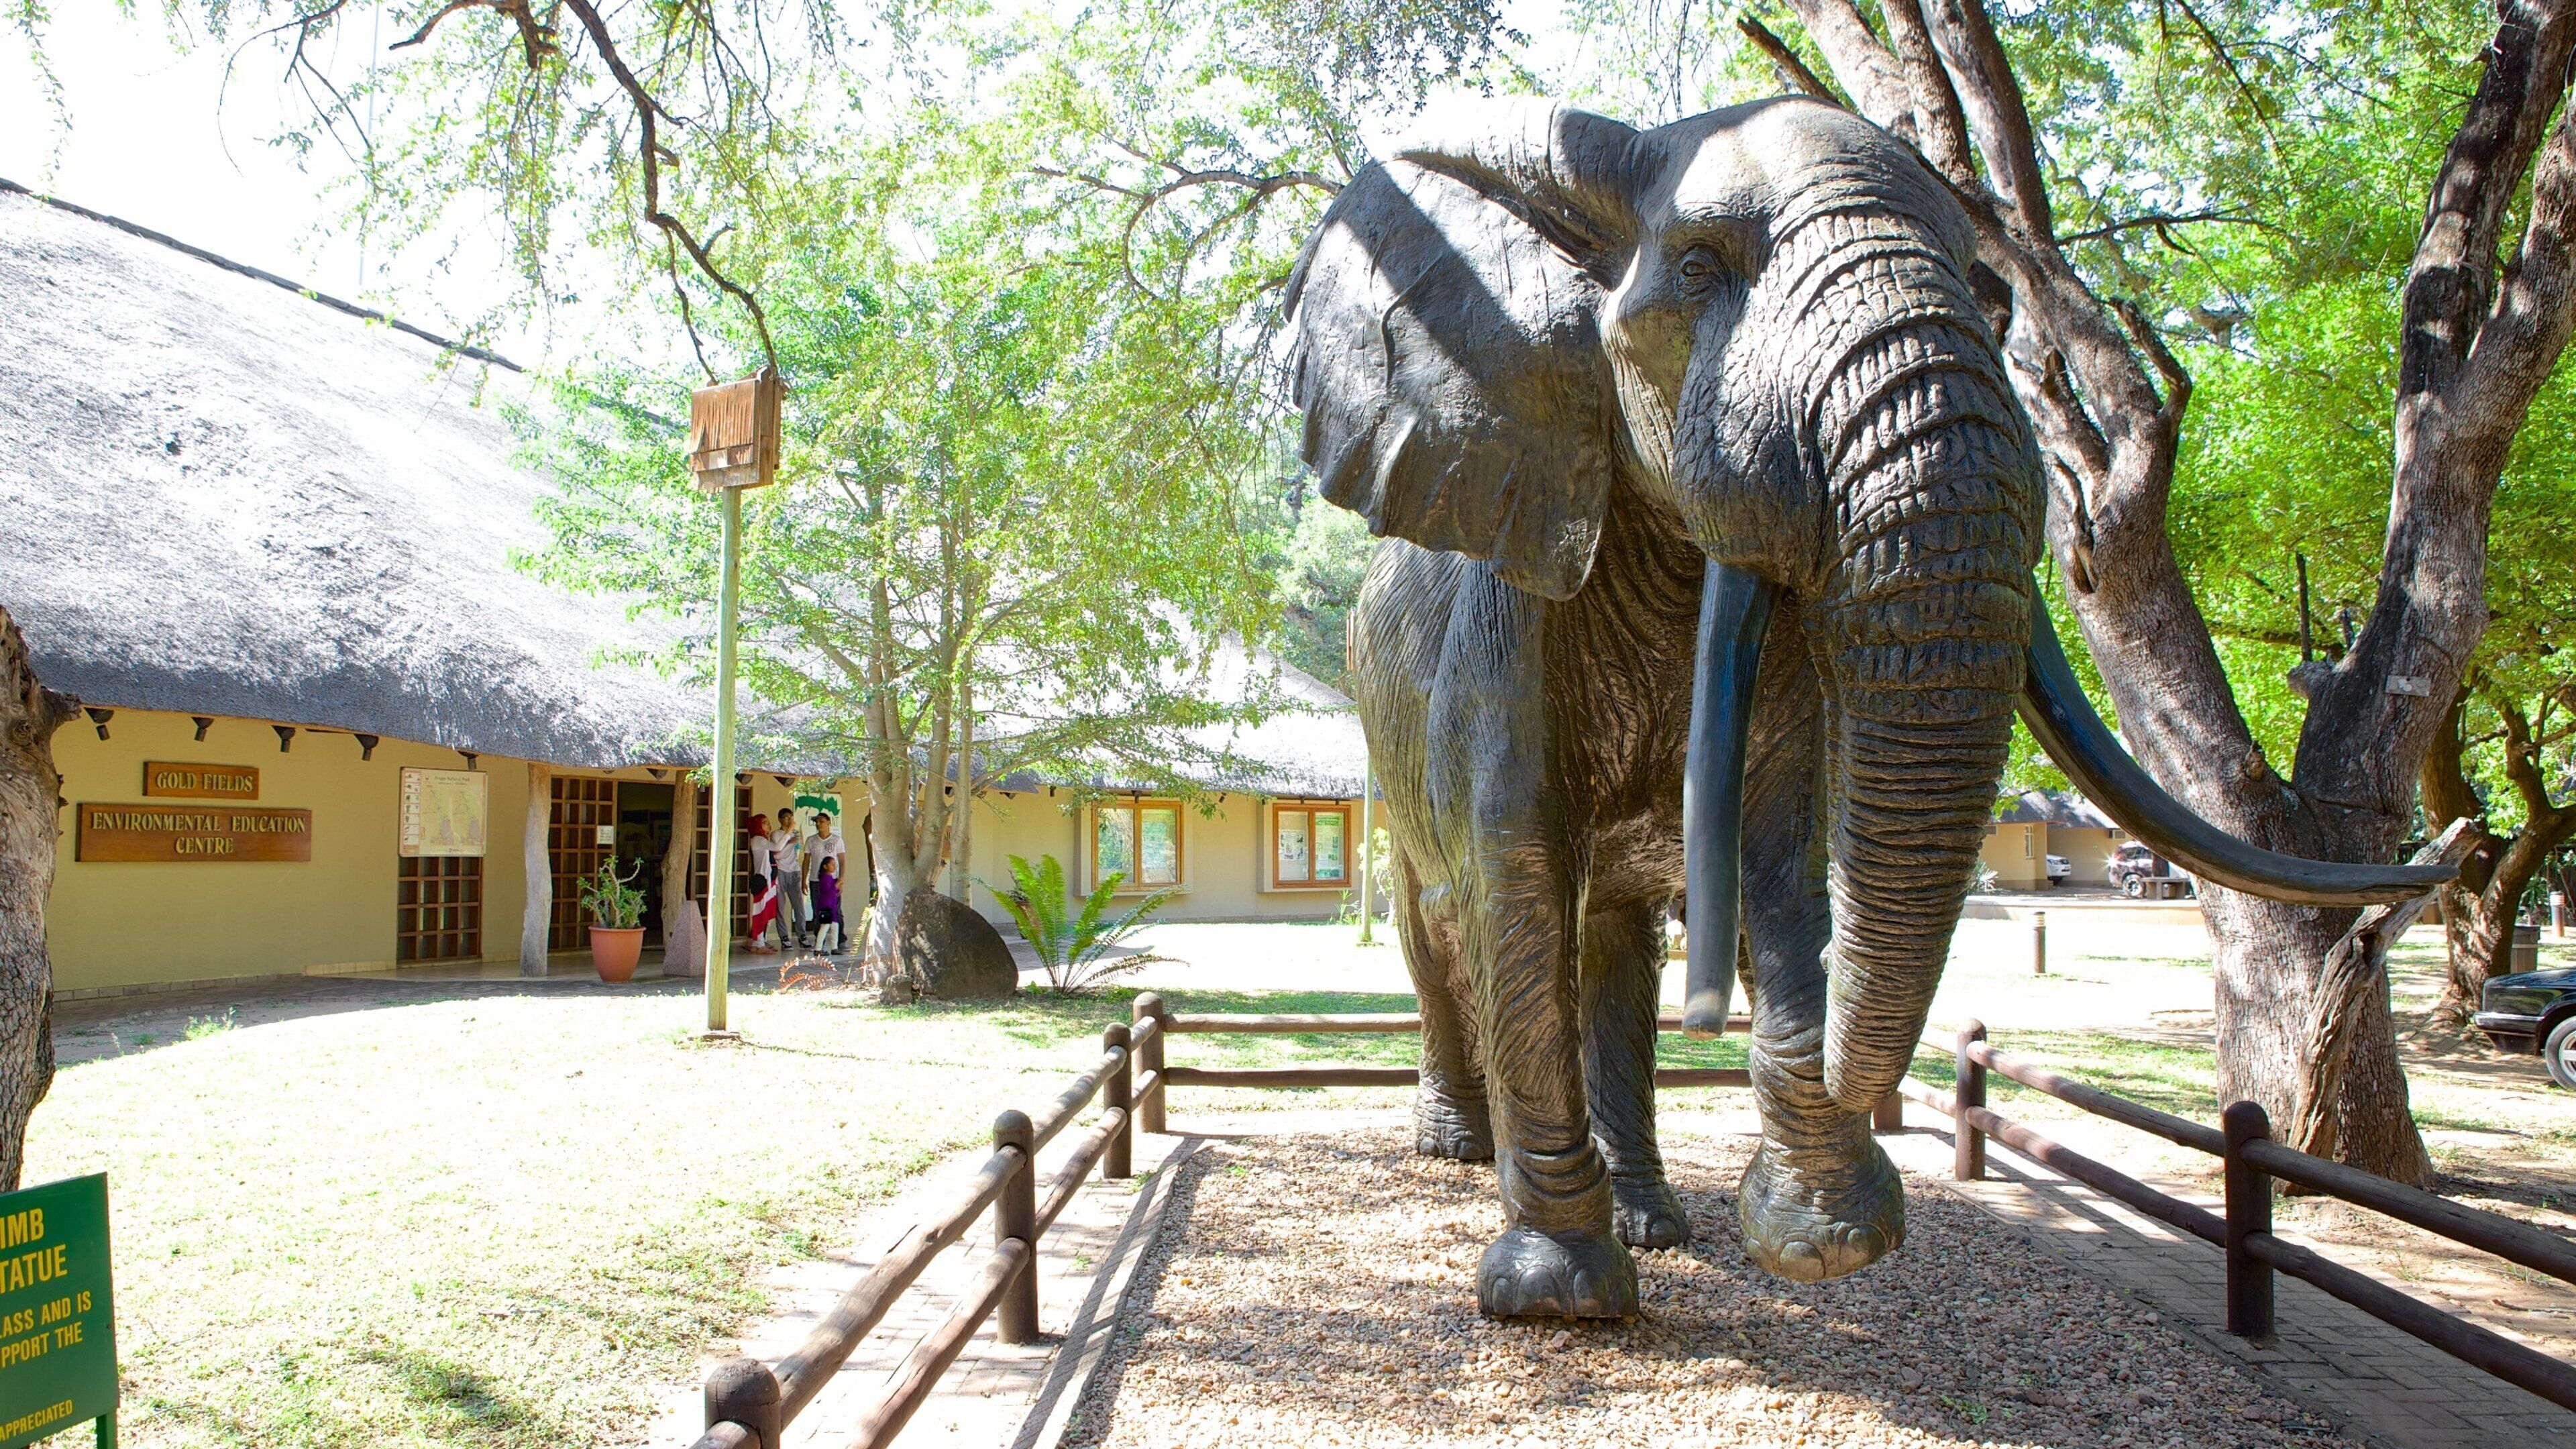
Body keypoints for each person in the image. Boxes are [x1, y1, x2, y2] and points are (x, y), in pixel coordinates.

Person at [773, 815, 810, 948]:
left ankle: (802, 935)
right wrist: (788, 842)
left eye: (791, 817)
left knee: (799, 906)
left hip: (794, 871)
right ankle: (784, 937)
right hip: (781, 870)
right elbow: (778, 854)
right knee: (780, 906)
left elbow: (798, 852)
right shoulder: (777, 834)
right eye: (786, 817)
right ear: (780, 819)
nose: (789, 820)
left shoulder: (795, 832)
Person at [745, 814, 774, 947]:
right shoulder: (758, 839)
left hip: (765, 877)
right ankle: (759, 943)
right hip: (761, 878)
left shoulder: (762, 839)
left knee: (765, 910)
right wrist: (790, 831)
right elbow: (777, 847)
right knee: (760, 911)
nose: (768, 825)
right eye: (765, 823)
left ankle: (758, 941)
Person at [811, 856, 845, 953]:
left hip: (832, 907)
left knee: (835, 927)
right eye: (832, 864)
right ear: (825, 866)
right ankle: (818, 948)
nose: (834, 866)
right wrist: (838, 884)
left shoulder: (830, 878)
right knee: (825, 927)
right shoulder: (824, 878)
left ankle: (834, 948)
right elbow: (829, 892)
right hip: (826, 907)